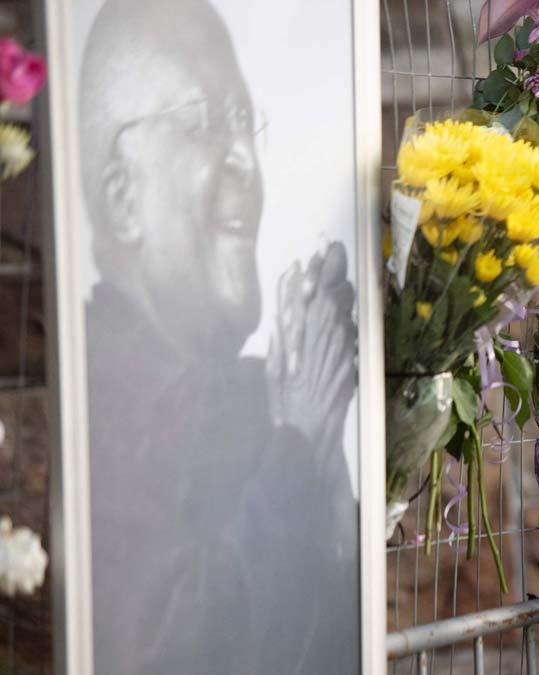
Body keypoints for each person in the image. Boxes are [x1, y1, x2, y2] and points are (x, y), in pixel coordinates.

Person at [79, 1, 359, 672]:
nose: (244, 158)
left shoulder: (257, 392)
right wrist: (297, 446)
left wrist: (324, 449)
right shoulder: (87, 395)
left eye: (243, 121)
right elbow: (170, 652)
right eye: (202, 123)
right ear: (123, 197)